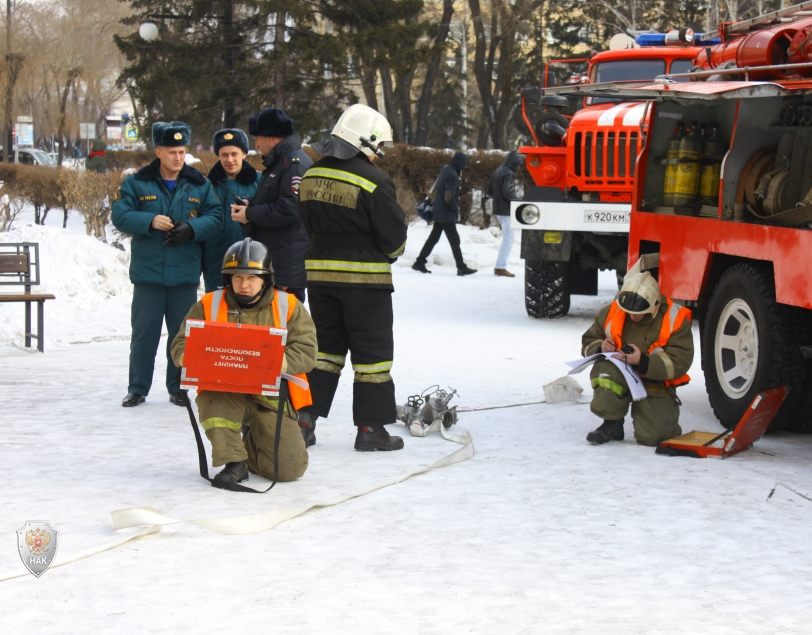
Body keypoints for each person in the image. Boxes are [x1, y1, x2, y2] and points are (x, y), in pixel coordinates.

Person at [298, 104, 408, 451]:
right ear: (368, 143)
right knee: (372, 355)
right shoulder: (374, 180)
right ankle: (371, 430)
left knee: (324, 351)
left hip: (319, 279)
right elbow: (394, 236)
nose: (379, 156)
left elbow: (308, 223)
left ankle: (304, 421)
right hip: (365, 283)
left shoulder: (312, 173)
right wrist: (386, 254)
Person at [170, 238, 317, 487]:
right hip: (223, 390)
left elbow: (307, 350)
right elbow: (180, 343)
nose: (244, 284)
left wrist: (276, 363)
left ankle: (250, 442)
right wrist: (190, 359)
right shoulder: (208, 303)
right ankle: (234, 462)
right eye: (237, 277)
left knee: (290, 469)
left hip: (270, 394)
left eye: (252, 277)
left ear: (266, 278)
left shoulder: (288, 305)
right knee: (216, 404)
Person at [112, 121, 223, 408]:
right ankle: (137, 388)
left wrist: (191, 228)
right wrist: (148, 220)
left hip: (184, 274)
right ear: (158, 151)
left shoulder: (200, 184)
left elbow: (216, 217)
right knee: (143, 336)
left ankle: (179, 388)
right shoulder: (137, 183)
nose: (178, 157)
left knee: (183, 336)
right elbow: (120, 215)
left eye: (182, 151)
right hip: (149, 275)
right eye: (172, 151)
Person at [580, 271, 694, 446]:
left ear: (654, 306)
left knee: (655, 438)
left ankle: (648, 416)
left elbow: (680, 361)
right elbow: (588, 339)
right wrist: (600, 346)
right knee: (604, 371)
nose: (632, 317)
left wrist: (643, 361)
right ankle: (612, 423)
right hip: (620, 372)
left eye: (638, 313)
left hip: (655, 380)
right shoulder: (614, 310)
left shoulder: (674, 319)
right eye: (628, 312)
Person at [229, 108, 312, 302]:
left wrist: (249, 214)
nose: (256, 144)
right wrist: (251, 203)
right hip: (276, 261)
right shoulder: (279, 162)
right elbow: (276, 199)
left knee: (285, 324)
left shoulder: (293, 164)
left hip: (287, 266)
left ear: (272, 138)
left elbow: (290, 209)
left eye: (259, 138)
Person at [202, 128, 261, 292]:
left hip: (252, 262)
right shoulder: (206, 186)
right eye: (224, 154)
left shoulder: (261, 182)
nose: (230, 159)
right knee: (217, 310)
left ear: (244, 153)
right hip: (216, 262)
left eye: (234, 154)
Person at [411, 152, 477, 276]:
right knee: (454, 240)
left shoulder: (446, 169)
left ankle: (419, 262)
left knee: (433, 239)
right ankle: (461, 267)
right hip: (446, 213)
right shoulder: (453, 175)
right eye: (464, 165)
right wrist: (454, 207)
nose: (464, 168)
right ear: (460, 163)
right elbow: (448, 195)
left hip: (439, 210)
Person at [487, 150, 522, 277]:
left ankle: (500, 266)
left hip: (498, 209)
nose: (519, 167)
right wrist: (519, 203)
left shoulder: (497, 171)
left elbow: (489, 191)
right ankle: (501, 267)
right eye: (518, 164)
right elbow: (508, 193)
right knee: (508, 239)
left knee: (507, 238)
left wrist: (498, 198)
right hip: (506, 210)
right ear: (514, 163)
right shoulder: (508, 173)